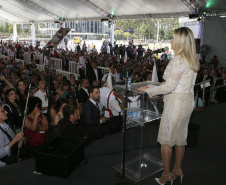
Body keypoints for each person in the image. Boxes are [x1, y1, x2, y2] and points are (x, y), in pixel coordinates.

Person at [138, 27, 200, 185]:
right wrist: (162, 85)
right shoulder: (192, 58)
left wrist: (149, 89)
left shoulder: (178, 59)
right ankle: (177, 169)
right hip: (187, 101)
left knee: (166, 140)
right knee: (180, 138)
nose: (170, 41)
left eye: (173, 38)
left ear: (180, 41)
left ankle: (166, 175)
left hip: (176, 103)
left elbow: (170, 87)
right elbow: (177, 83)